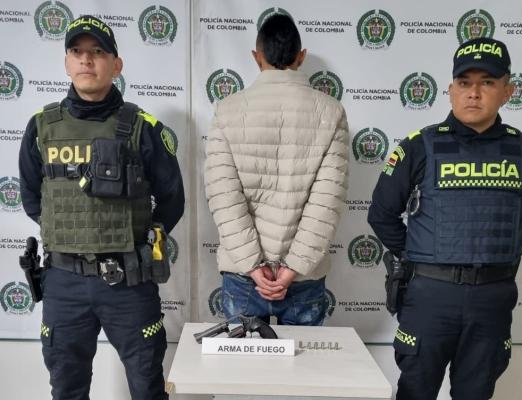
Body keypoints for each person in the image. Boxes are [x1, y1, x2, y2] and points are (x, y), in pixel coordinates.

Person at [367, 37, 522, 400]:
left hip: (492, 297)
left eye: (488, 82)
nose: (474, 93)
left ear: (508, 91)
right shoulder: (419, 146)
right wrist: (420, 254)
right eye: (464, 83)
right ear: (451, 90)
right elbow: (382, 214)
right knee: (415, 392)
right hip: (430, 296)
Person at [18, 15, 184, 400]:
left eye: (97, 52)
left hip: (128, 282)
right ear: (66, 62)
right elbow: (31, 197)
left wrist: (139, 239)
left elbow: (172, 199)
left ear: (116, 64)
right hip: (64, 282)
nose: (86, 60)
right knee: (67, 390)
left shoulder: (143, 127)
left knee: (147, 387)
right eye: (77, 51)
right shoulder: (41, 127)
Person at [204, 14, 349, 326]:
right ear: (302, 56)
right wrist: (291, 269)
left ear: (256, 57)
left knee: (242, 360)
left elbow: (223, 197)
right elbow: (327, 203)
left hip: (243, 275)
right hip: (303, 277)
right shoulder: (331, 112)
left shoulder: (226, 111)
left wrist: (254, 267)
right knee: (304, 359)